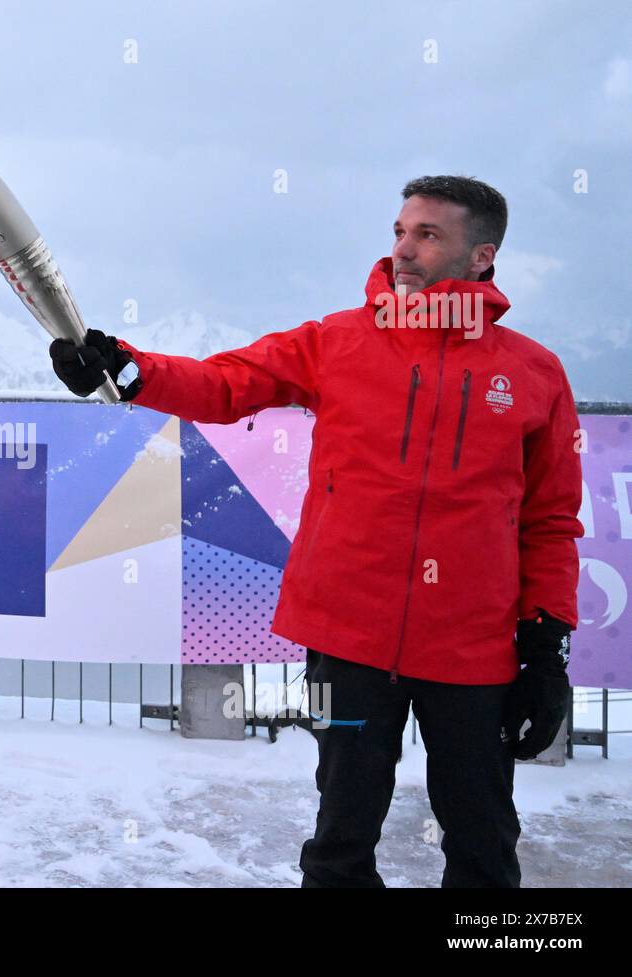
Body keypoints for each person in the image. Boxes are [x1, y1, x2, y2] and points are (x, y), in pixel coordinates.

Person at [50, 176, 582, 888]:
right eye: (399, 230)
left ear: (482, 255)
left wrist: (545, 647)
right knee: (341, 836)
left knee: (483, 842)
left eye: (428, 235)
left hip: (472, 648)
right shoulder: (337, 340)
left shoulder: (534, 373)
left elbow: (551, 520)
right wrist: (130, 367)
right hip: (349, 641)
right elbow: (225, 383)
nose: (404, 249)